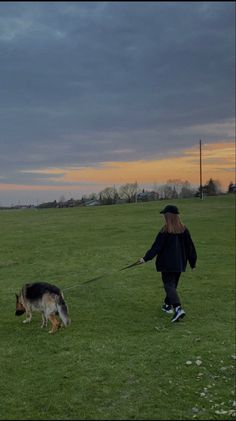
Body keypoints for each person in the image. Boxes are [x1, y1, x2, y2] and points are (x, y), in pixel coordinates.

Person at [139, 204, 197, 323]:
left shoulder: (165, 231)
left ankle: (178, 308)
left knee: (169, 285)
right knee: (173, 286)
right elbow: (191, 248)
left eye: (165, 215)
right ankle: (167, 305)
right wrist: (192, 263)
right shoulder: (184, 230)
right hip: (179, 264)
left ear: (169, 216)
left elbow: (156, 247)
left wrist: (145, 258)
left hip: (166, 264)